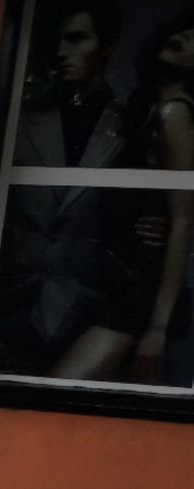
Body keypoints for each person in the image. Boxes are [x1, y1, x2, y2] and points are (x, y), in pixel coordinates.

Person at [51, 9, 194, 384]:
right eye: (184, 29)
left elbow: (183, 219)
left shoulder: (172, 112)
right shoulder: (147, 109)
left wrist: (158, 328)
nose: (187, 36)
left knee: (59, 388)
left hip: (137, 292)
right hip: (118, 283)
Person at [0, 1, 127, 376]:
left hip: (87, 313)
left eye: (78, 39)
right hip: (8, 307)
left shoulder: (129, 125)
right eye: (58, 40)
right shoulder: (20, 118)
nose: (63, 52)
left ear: (107, 46)